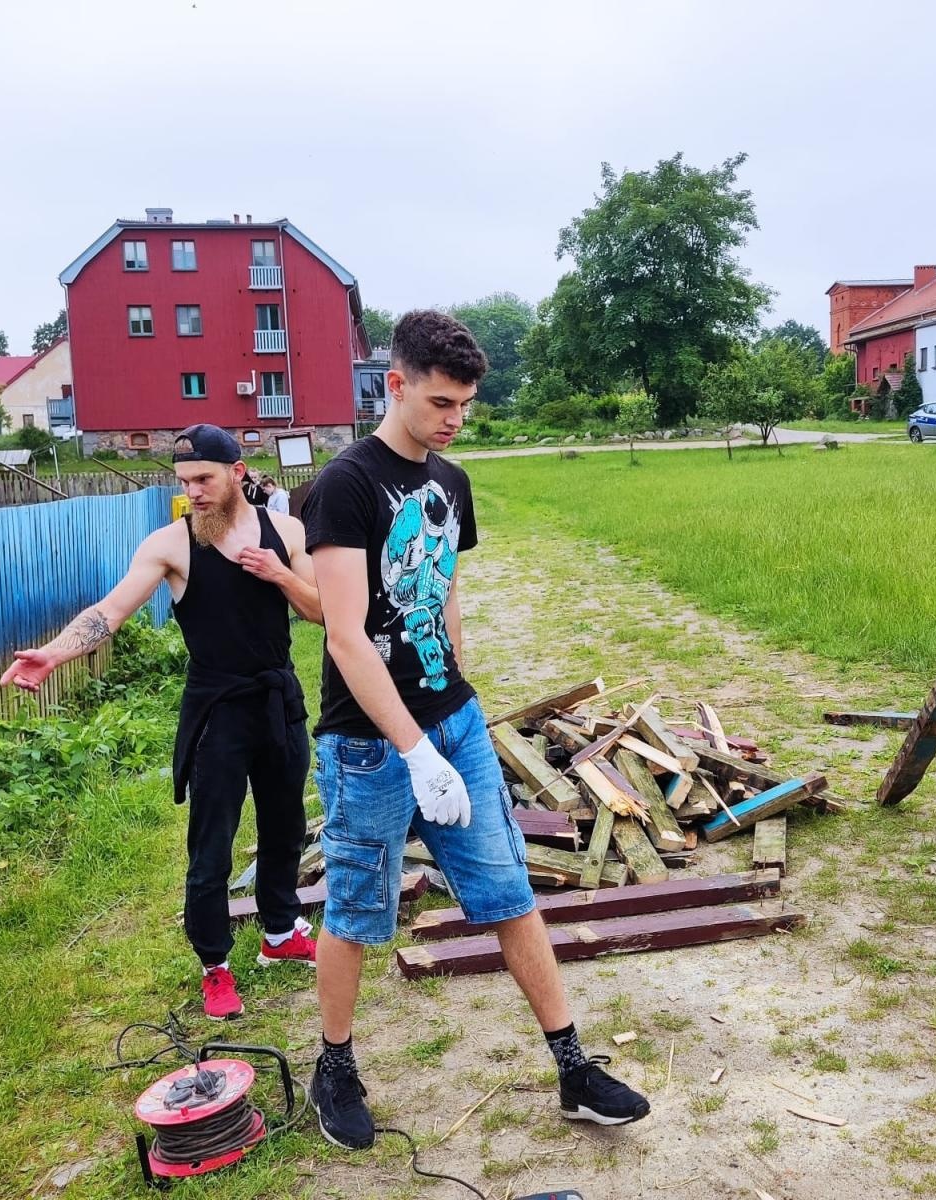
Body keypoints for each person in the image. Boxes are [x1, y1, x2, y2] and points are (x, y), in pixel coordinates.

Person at [302, 310, 650, 1150]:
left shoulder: (451, 482)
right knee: (356, 911)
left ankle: (572, 1067)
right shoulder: (343, 486)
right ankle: (335, 1066)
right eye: (441, 401)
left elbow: (446, 584)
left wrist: (454, 677)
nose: (455, 418)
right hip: (368, 747)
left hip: (452, 723)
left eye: (465, 404)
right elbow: (345, 637)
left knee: (508, 895)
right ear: (396, 384)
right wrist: (414, 752)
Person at [0, 424, 323, 1018]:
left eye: (203, 479)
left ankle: (280, 933)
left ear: (237, 473)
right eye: (183, 481)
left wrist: (279, 573)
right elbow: (111, 611)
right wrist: (53, 653)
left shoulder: (289, 532)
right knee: (211, 847)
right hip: (217, 713)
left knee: (285, 826)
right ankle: (215, 966)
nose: (193, 492)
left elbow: (323, 609)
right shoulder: (170, 545)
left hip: (279, 704)